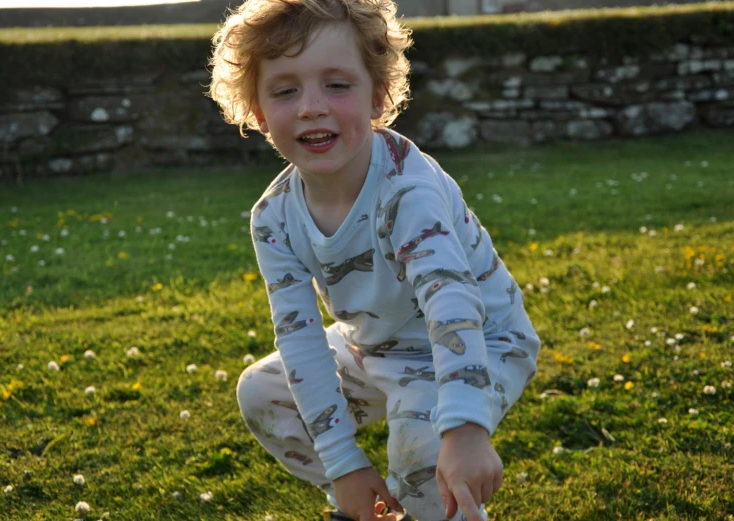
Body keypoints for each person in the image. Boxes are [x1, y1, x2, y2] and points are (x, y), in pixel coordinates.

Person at [208, 1, 541, 520]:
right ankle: (371, 505)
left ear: (378, 96)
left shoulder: (407, 191)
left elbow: (452, 303)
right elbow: (299, 338)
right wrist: (342, 464)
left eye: (337, 85)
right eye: (285, 90)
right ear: (257, 111)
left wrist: (466, 428)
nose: (311, 107)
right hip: (375, 345)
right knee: (262, 393)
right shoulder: (272, 217)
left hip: (480, 339)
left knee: (424, 452)